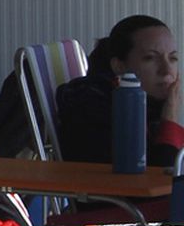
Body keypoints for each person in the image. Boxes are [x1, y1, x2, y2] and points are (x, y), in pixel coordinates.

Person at [56, 16, 184, 173]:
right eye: (150, 58)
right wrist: (170, 121)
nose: (166, 70)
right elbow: (161, 181)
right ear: (119, 66)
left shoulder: (152, 108)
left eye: (173, 58)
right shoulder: (96, 111)